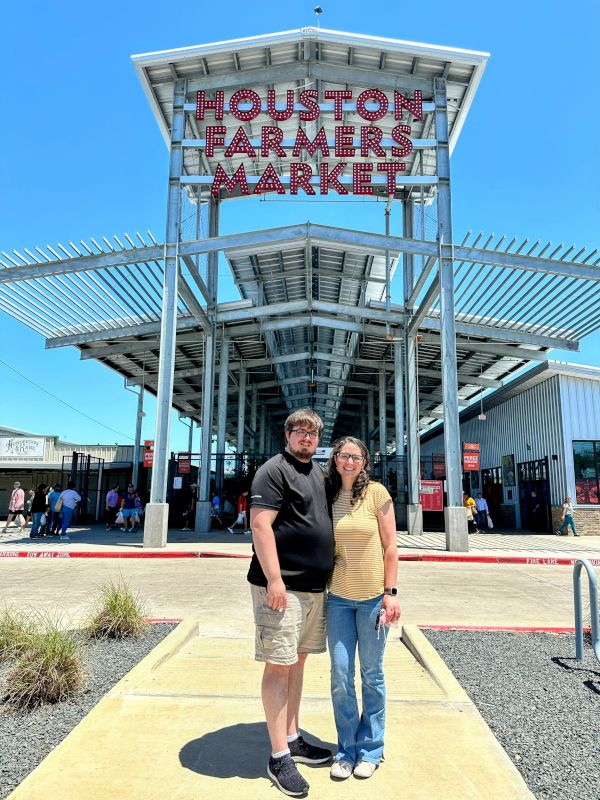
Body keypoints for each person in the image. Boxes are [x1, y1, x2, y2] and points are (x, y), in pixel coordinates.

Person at [247, 408, 334, 797]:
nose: (306, 438)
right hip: (284, 589)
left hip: (314, 589)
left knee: (297, 662)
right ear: (287, 435)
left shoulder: (317, 473)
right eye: (300, 431)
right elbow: (260, 524)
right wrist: (275, 579)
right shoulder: (273, 470)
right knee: (279, 666)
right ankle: (279, 754)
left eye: (313, 433)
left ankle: (293, 736)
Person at [325, 436, 400, 781]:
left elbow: (390, 547)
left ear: (364, 461)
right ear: (335, 459)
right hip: (338, 598)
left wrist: (391, 593)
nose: (349, 462)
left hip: (372, 599)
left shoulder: (377, 494)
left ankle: (371, 749)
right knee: (341, 675)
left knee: (371, 674)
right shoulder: (328, 495)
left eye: (356, 457)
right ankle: (346, 750)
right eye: (344, 456)